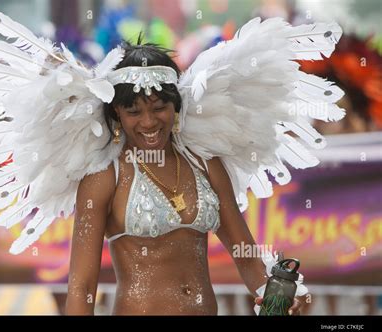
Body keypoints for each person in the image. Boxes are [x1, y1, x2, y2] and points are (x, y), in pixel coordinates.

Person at [64, 39, 304, 315]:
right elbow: (81, 287)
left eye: (158, 108)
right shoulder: (105, 177)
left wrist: (272, 295)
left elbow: (247, 258)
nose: (148, 122)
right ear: (116, 114)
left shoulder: (204, 164)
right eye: (134, 112)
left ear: (176, 107)